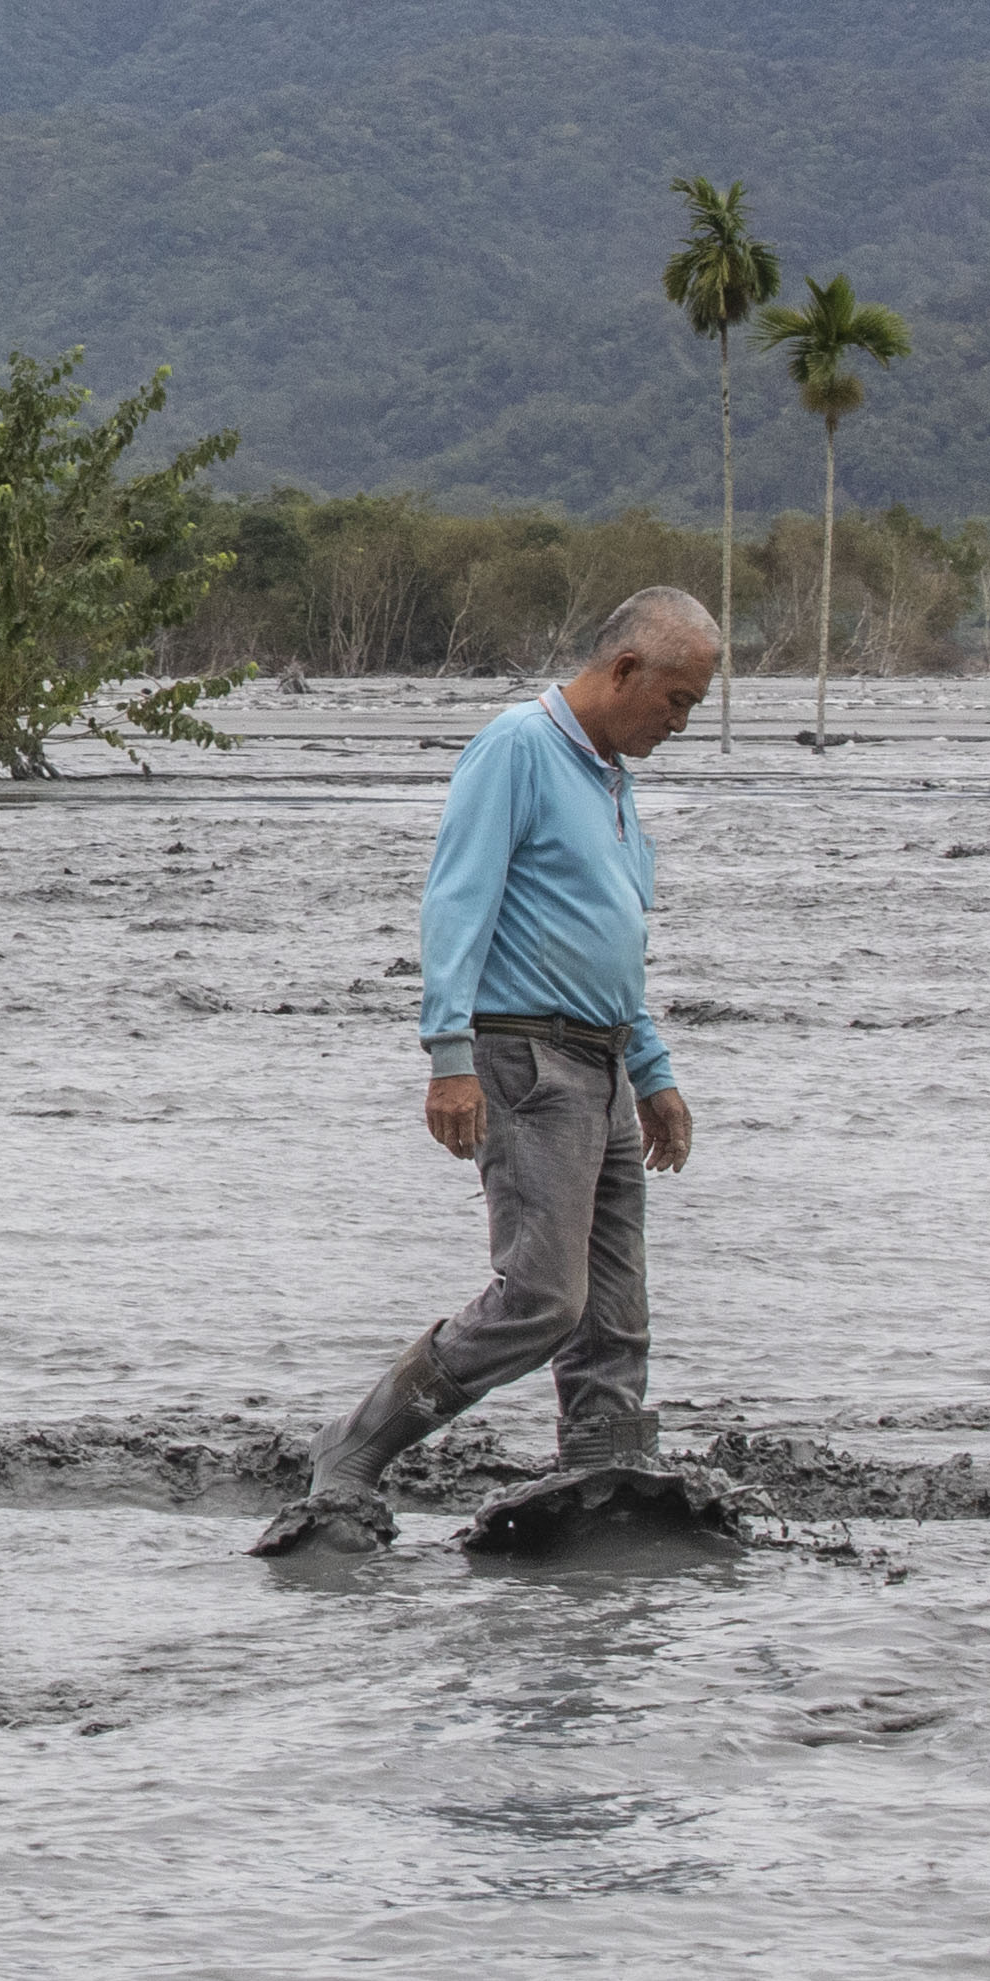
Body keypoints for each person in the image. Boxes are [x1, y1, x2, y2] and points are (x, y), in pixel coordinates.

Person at [252, 586, 719, 1558]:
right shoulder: (516, 748)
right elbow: (455, 903)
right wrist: (449, 1055)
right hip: (522, 1054)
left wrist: (655, 1070)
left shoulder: (612, 784)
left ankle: (604, 1470)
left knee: (613, 1307)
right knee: (542, 1297)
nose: (679, 723)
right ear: (624, 670)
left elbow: (614, 948)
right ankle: (355, 1446)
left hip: (602, 1064)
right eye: (675, 700)